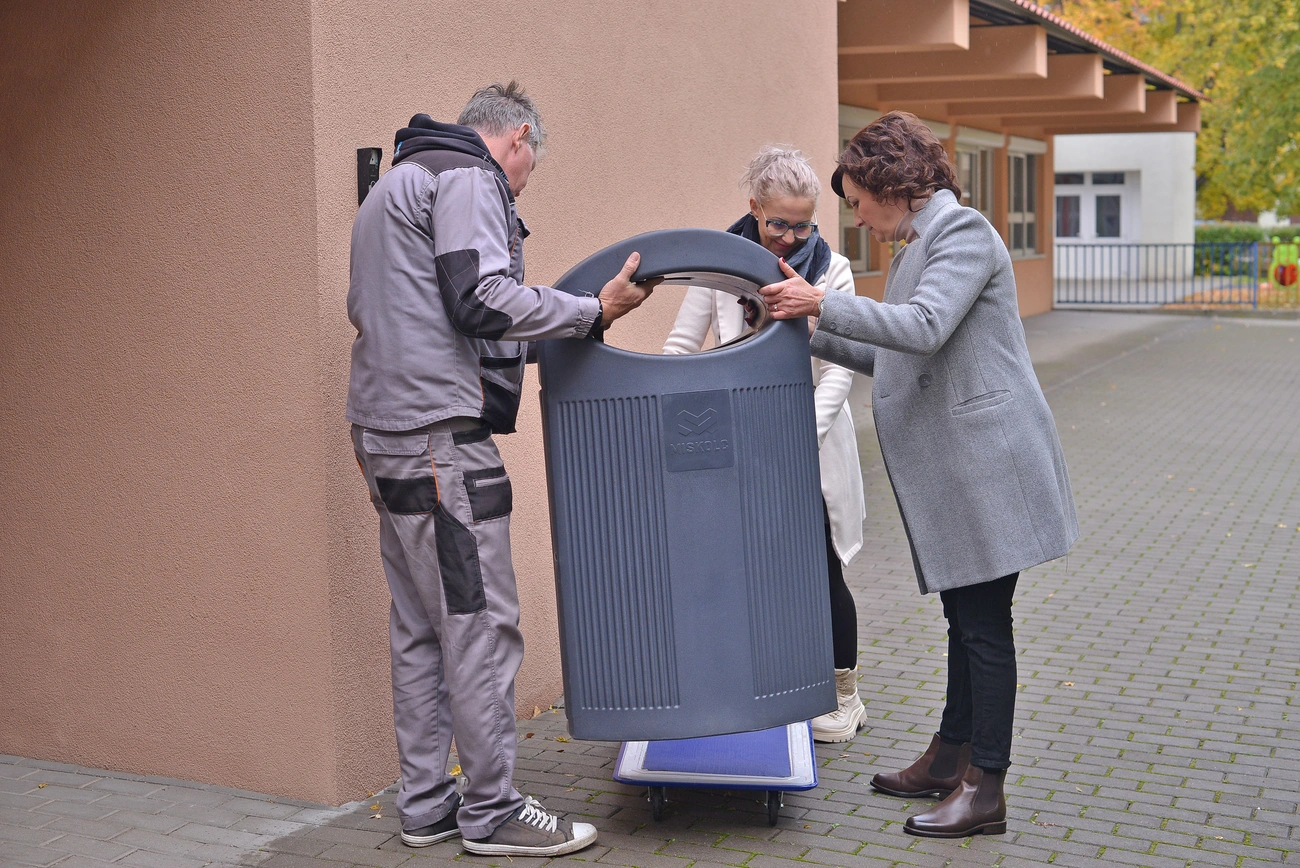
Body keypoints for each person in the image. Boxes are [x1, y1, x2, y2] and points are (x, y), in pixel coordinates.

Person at [346, 82, 652, 857]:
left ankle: (426, 805)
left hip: (383, 430)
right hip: (439, 442)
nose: (516, 192)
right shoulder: (467, 176)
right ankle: (493, 813)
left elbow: (379, 306)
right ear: (515, 139)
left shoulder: (394, 185)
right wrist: (592, 311)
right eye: (526, 176)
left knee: (422, 625)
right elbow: (481, 298)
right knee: (479, 626)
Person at [760, 111, 1078, 838]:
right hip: (966, 471)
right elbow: (902, 352)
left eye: (859, 201)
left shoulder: (960, 234)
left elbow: (926, 326)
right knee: (964, 622)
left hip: (990, 467)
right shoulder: (917, 245)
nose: (858, 217)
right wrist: (816, 330)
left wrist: (822, 302)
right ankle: (948, 759)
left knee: (983, 628)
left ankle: (985, 787)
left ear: (888, 184)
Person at [662, 145, 868, 742]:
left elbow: (838, 373)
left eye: (804, 224)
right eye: (779, 223)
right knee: (741, 564)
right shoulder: (714, 269)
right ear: (754, 209)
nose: (790, 237)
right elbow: (680, 349)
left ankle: (844, 695)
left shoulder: (831, 271)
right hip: (731, 445)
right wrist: (682, 420)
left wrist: (792, 436)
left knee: (819, 567)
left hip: (807, 442)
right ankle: (762, 682)